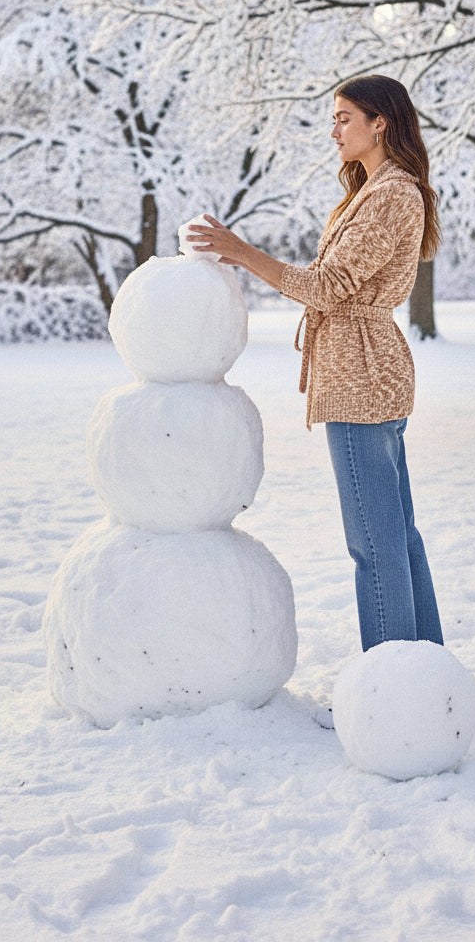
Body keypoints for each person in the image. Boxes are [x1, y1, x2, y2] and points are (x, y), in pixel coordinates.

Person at [187, 74, 443, 652]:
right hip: (370, 370)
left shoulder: (391, 195)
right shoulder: (376, 190)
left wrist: (241, 252)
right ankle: (423, 669)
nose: (334, 131)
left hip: (361, 377)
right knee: (396, 537)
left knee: (375, 544)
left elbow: (326, 287)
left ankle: (393, 678)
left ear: (380, 123)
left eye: (344, 118)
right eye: (334, 119)